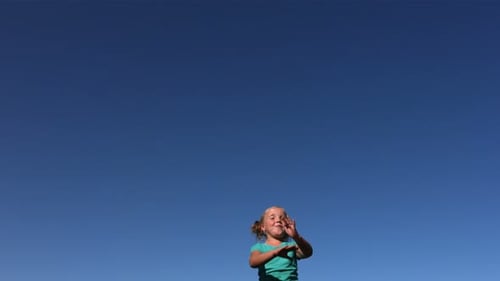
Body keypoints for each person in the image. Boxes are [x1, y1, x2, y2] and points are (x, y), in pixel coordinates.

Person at [249, 206, 313, 281]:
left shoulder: (290, 246)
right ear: (263, 227)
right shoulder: (259, 247)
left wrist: (296, 237)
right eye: (272, 218)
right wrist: (275, 253)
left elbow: (308, 253)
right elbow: (253, 262)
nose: (278, 220)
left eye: (282, 218)